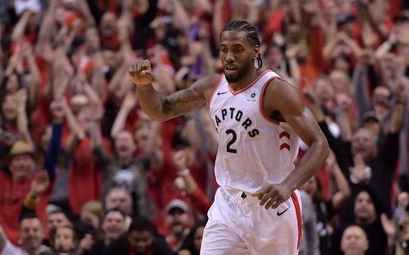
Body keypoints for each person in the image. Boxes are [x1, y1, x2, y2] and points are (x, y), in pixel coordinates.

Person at [128, 20, 329, 254]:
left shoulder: (275, 91)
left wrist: (287, 186)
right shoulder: (212, 86)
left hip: (272, 206)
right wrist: (144, 87)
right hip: (229, 204)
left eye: (237, 49)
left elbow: (320, 145)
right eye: (224, 49)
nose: (229, 56)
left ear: (255, 52)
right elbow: (160, 110)